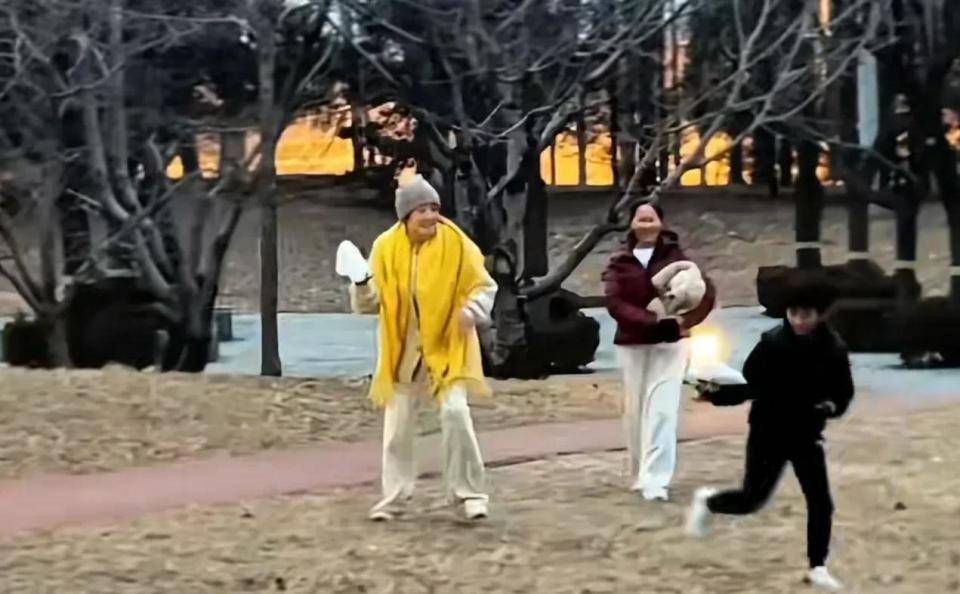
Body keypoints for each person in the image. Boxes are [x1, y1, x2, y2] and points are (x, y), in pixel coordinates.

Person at [685, 278, 854, 591]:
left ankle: (817, 567)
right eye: (793, 313)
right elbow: (747, 386)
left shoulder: (834, 349)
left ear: (820, 315)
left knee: (821, 503)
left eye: (806, 315)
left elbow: (843, 393)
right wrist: (715, 395)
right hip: (768, 432)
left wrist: (830, 407)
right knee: (751, 500)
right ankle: (709, 502)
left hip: (806, 434)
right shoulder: (771, 344)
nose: (799, 320)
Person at [349, 174, 497, 522]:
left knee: (456, 414)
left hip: (447, 347)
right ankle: (394, 499)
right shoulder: (385, 247)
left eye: (434, 208)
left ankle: (470, 495)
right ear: (406, 216)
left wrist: (471, 311)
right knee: (397, 430)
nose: (431, 216)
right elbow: (370, 304)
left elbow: (484, 285)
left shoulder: (457, 243)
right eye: (422, 210)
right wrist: (360, 283)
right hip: (403, 352)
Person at [602, 203, 716, 501]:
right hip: (632, 344)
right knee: (636, 411)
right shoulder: (619, 262)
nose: (646, 221)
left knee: (662, 411)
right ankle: (639, 472)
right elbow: (615, 303)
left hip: (670, 346)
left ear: (661, 223)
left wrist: (684, 322)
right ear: (632, 224)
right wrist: (652, 320)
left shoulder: (678, 259)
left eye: (651, 217)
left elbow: (705, 294)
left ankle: (656, 480)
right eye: (640, 217)